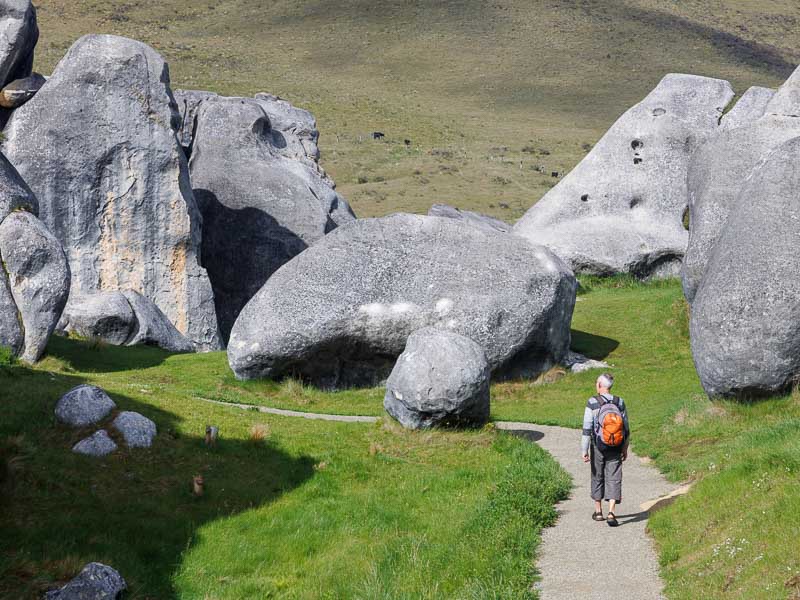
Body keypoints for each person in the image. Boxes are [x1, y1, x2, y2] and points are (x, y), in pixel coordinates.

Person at [581, 373, 629, 526]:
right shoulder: (619, 402)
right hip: (616, 446)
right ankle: (611, 512)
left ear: (600, 385)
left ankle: (598, 511)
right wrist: (625, 448)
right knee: (614, 476)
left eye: (596, 382)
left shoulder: (592, 402)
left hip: (598, 445)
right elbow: (626, 428)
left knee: (598, 475)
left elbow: (587, 428)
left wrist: (584, 450)